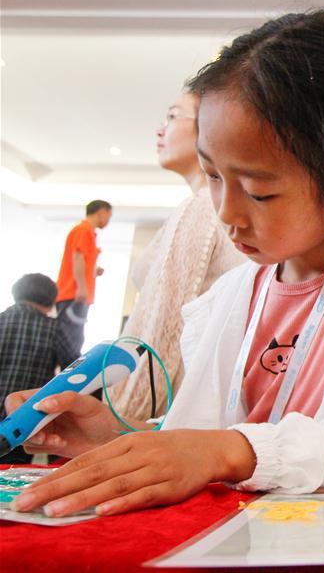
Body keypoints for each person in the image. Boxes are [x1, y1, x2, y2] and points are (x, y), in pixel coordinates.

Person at [6, 11, 324, 518]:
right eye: (212, 176)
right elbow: (208, 444)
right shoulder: (235, 295)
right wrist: (115, 438)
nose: (226, 213)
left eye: (259, 192)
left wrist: (224, 451)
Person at [106, 91, 245, 420]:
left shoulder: (200, 208)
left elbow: (160, 331)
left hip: (173, 404)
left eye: (172, 116)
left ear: (209, 127)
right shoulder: (210, 207)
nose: (159, 130)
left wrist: (121, 418)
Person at [0, 274, 83, 464]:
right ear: (51, 301)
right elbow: (74, 371)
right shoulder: (56, 328)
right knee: (13, 477)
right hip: (24, 422)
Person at [55, 199, 112, 350]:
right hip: (73, 294)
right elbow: (77, 258)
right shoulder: (83, 230)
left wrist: (93, 271)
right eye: (108, 216)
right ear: (101, 212)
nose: (108, 221)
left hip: (75, 294)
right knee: (70, 342)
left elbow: (80, 261)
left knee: (74, 339)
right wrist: (81, 287)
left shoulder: (89, 233)